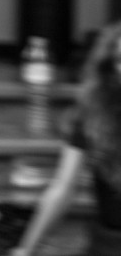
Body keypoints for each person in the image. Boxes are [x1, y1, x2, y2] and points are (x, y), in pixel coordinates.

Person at [10, 22, 121, 256]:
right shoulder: (94, 110)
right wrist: (25, 249)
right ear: (109, 68)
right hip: (107, 242)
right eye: (120, 61)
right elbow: (63, 187)